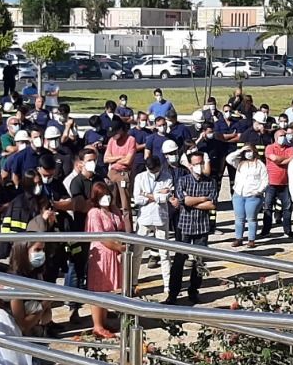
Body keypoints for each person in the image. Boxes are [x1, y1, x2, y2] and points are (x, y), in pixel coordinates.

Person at [167, 149, 218, 304]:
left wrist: (192, 201)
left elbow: (212, 204)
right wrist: (202, 199)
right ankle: (173, 293)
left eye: (201, 163)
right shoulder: (183, 180)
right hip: (185, 226)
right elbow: (184, 200)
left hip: (202, 226)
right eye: (196, 164)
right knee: (179, 261)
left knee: (199, 262)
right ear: (189, 165)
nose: (199, 166)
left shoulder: (211, 181)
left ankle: (194, 291)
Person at [85, 182, 127, 338]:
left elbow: (122, 227)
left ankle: (103, 321)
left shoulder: (114, 211)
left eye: (108, 195)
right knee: (97, 290)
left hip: (113, 253)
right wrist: (119, 248)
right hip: (101, 255)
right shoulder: (94, 213)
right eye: (102, 196)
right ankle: (97, 325)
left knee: (106, 289)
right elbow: (101, 236)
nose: (106, 198)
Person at [131, 143, 175, 273]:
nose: (154, 173)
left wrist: (146, 195)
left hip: (160, 218)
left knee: (165, 254)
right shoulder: (140, 177)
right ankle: (133, 282)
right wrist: (155, 196)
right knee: (137, 253)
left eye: (156, 171)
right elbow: (138, 199)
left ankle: (167, 286)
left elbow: (166, 197)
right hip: (144, 218)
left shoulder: (167, 176)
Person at [226, 144, 268, 248]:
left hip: (253, 196)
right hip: (239, 194)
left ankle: (251, 239)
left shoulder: (260, 165)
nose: (248, 153)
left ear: (254, 152)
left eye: (250, 151)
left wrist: (258, 191)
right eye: (246, 151)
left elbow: (265, 180)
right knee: (239, 218)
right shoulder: (240, 163)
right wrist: (240, 150)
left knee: (251, 218)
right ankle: (239, 238)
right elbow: (229, 158)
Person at [261, 125, 293, 241]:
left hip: (285, 183)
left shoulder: (290, 148)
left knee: (287, 208)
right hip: (271, 182)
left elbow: (292, 158)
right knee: (268, 207)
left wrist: (281, 160)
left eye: (285, 135)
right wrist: (285, 160)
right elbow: (274, 159)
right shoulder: (269, 148)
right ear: (276, 137)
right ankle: (266, 230)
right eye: (281, 135)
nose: (283, 137)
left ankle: (288, 230)